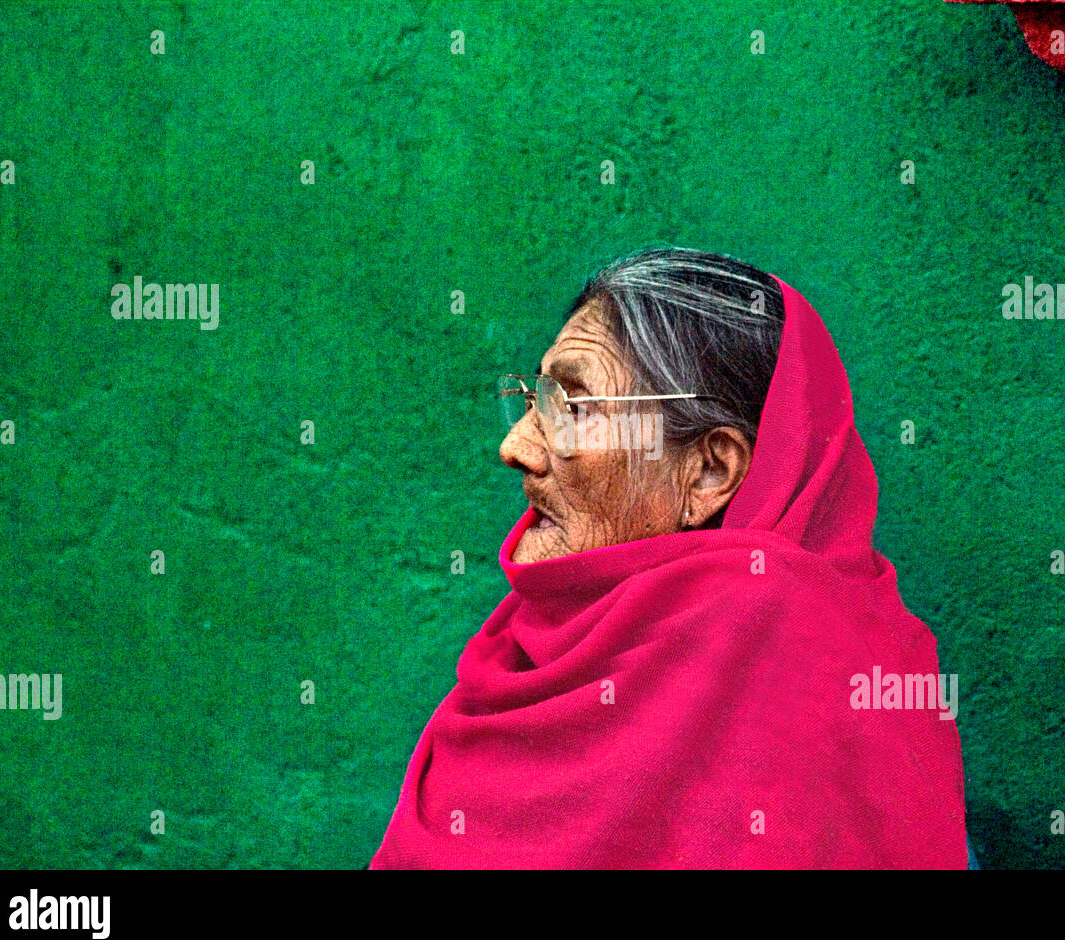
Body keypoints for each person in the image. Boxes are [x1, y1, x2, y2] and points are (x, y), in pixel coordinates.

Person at [370, 248, 968, 868]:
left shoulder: (812, 659)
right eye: (535, 399)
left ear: (709, 471)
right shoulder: (524, 653)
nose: (515, 446)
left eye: (574, 407)